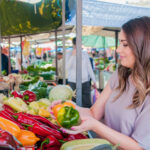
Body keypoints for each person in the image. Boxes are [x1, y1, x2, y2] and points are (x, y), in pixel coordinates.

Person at [51, 17, 150, 150]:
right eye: (119, 43)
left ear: (144, 46)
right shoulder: (120, 75)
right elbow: (93, 113)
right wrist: (68, 107)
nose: (118, 50)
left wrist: (96, 126)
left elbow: (139, 147)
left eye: (125, 44)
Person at [66, 37, 97, 108]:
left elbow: (89, 67)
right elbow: (67, 67)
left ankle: (87, 117)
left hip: (85, 81)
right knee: (74, 102)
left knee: (87, 102)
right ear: (74, 44)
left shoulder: (84, 53)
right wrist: (73, 56)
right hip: (73, 81)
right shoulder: (69, 53)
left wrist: (94, 80)